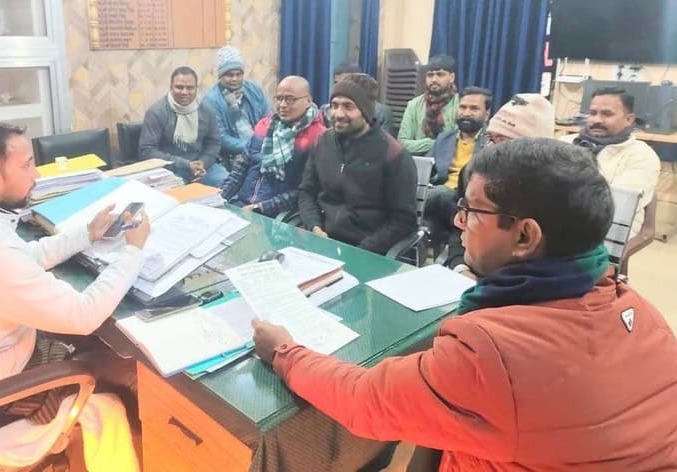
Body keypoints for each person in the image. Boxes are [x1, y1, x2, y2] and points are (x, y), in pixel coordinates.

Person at [253, 138, 677, 470]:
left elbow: (363, 402)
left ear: (525, 236)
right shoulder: (641, 310)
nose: (459, 224)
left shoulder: (491, 355)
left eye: (472, 212)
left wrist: (285, 352)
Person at [0, 123, 150, 471]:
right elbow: (83, 315)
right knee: (133, 370)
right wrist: (134, 251)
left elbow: (20, 259)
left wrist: (87, 234)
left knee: (99, 349)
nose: (37, 174)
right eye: (27, 165)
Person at [298, 73, 417, 255]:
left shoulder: (393, 154)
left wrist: (360, 252)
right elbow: (307, 192)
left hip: (369, 251)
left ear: (366, 112)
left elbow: (403, 220)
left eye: (348, 107)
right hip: (323, 243)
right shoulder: (323, 142)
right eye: (334, 105)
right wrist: (314, 227)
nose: (338, 114)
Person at [441, 93, 555, 279]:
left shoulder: (555, 192)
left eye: (502, 141)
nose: (490, 149)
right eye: (490, 138)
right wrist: (461, 268)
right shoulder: (473, 174)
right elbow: (459, 230)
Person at [220, 76, 326, 217]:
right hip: (243, 205)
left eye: (290, 99)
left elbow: (305, 190)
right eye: (279, 98)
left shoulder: (318, 137)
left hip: (278, 214)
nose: (282, 105)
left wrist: (261, 207)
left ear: (308, 100)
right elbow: (240, 170)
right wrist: (219, 198)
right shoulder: (264, 126)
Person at [561, 86, 660, 234]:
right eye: (592, 113)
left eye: (607, 114)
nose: (596, 120)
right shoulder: (565, 143)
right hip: (559, 226)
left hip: (607, 233)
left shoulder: (641, 155)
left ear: (628, 120)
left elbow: (613, 207)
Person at [139, 66, 228, 187]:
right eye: (179, 87)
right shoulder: (157, 112)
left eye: (190, 88)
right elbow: (147, 151)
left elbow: (214, 143)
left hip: (202, 168)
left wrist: (203, 163)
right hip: (171, 170)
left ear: (196, 89)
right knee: (178, 192)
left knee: (228, 184)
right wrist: (185, 165)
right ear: (171, 87)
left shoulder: (207, 110)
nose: (184, 92)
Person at [420, 87, 492, 228]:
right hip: (438, 198)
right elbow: (424, 169)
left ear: (487, 114)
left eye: (474, 109)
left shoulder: (491, 143)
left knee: (443, 194)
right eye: (463, 107)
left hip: (467, 199)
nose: (466, 113)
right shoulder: (444, 138)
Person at [201, 45, 271, 164]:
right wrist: (254, 146)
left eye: (239, 74)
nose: (235, 79)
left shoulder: (254, 90)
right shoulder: (210, 100)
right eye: (230, 75)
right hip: (230, 156)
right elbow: (221, 139)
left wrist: (265, 142)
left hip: (261, 146)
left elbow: (269, 119)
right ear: (221, 76)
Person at [397, 55, 459, 155]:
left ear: (452, 77)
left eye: (440, 75)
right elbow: (402, 144)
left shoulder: (461, 104)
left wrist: (419, 145)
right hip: (418, 160)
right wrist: (437, 143)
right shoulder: (414, 105)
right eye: (430, 75)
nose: (434, 79)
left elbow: (459, 142)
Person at [320, 62, 395, 135]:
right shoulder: (325, 111)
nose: (341, 87)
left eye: (345, 82)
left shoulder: (382, 113)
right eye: (336, 83)